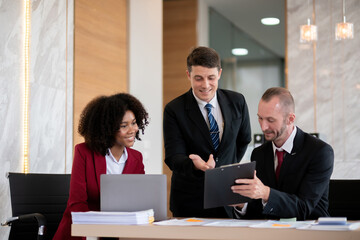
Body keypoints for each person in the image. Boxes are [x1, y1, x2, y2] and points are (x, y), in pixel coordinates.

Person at [163, 46, 251, 218]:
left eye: (211, 78)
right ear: (188, 75)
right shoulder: (174, 109)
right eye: (198, 78)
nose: (205, 85)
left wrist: (223, 169)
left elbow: (243, 140)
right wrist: (196, 166)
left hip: (228, 195)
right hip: (190, 199)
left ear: (219, 73)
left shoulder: (237, 101)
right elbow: (173, 157)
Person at [53, 93, 149, 240]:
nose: (132, 130)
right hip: (83, 234)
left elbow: (138, 203)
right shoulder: (83, 152)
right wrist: (100, 229)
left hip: (120, 234)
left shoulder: (136, 158)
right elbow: (77, 203)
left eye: (134, 123)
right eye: (124, 126)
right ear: (107, 128)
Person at [231, 87, 334, 220]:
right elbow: (260, 209)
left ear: (290, 119)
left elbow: (304, 208)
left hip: (310, 232)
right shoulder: (259, 153)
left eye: (270, 120)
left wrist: (266, 193)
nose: (263, 127)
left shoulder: (319, 152)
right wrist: (242, 204)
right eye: (260, 118)